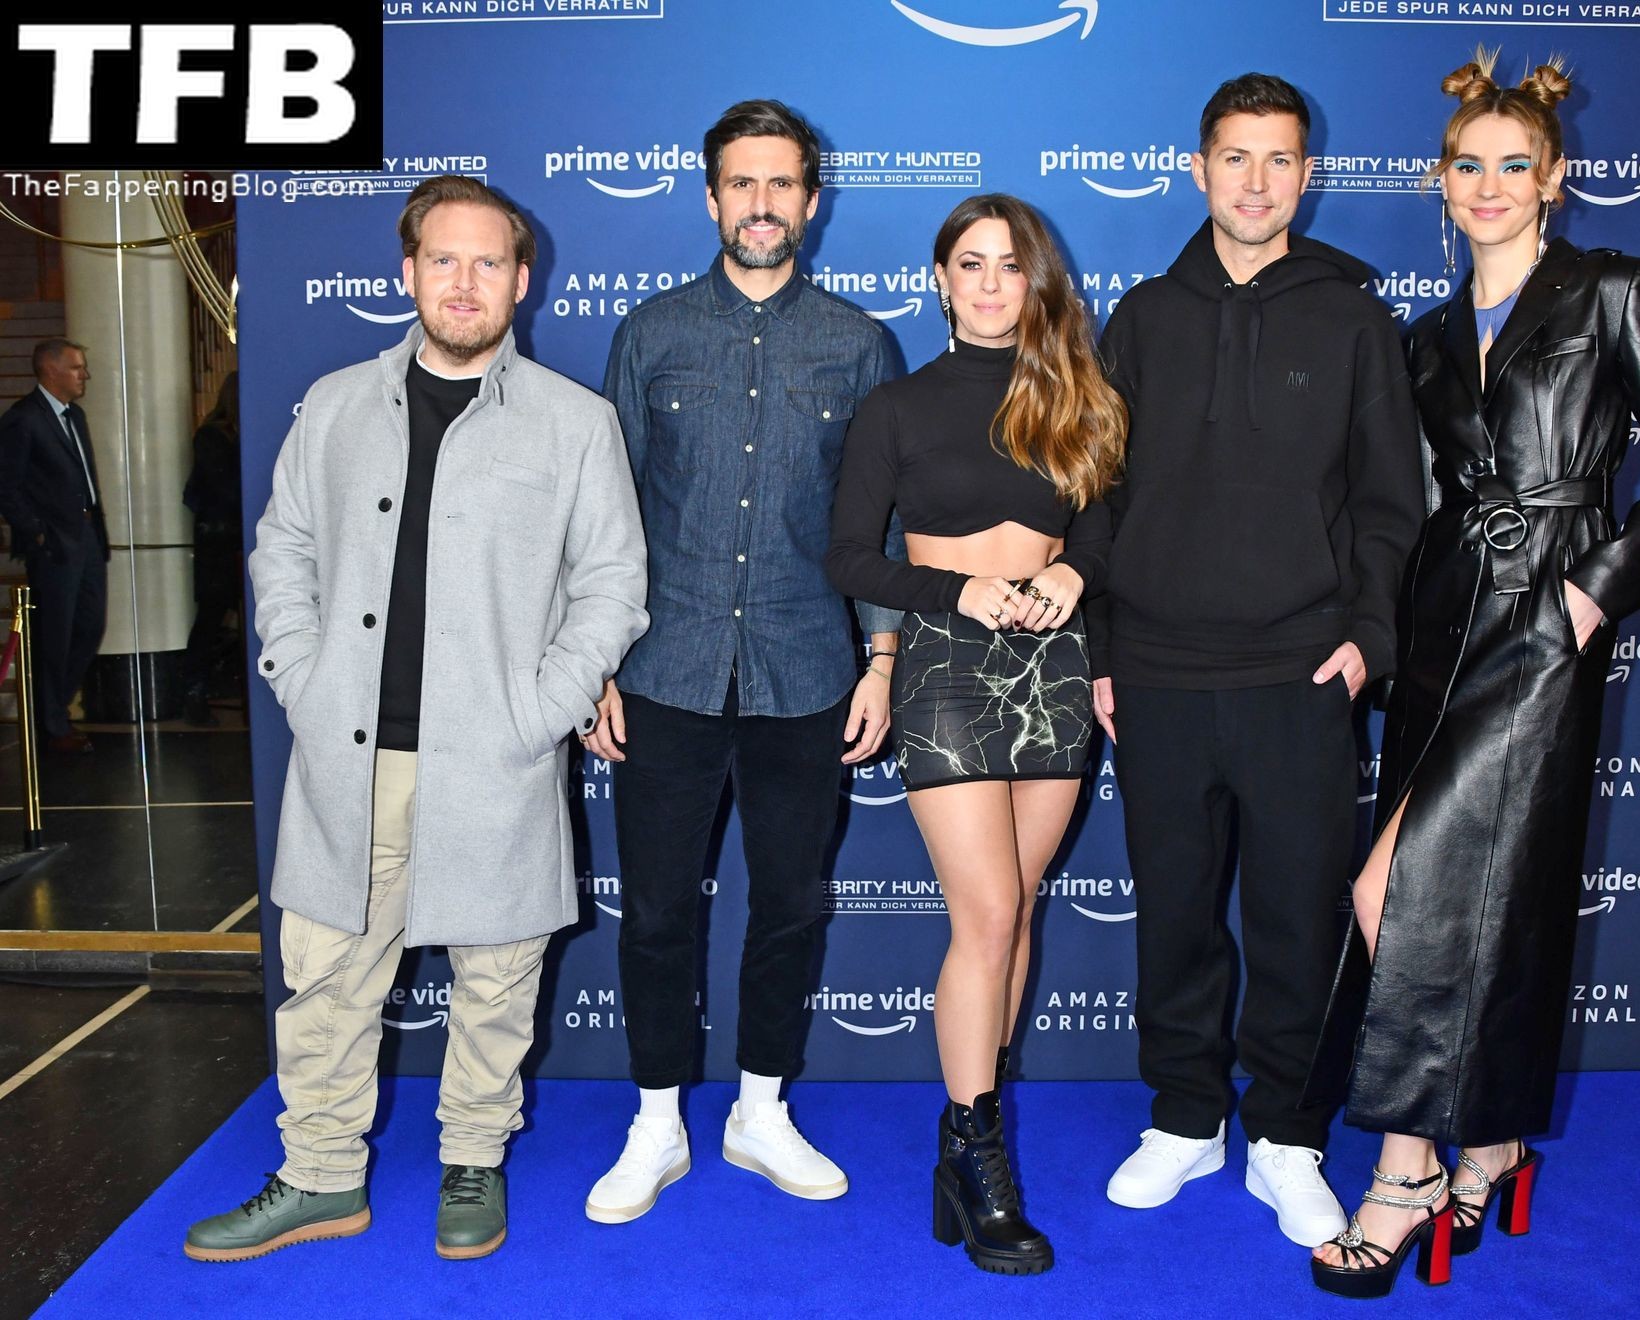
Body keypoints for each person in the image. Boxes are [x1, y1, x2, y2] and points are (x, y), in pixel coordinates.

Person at [1305, 54, 1640, 1298]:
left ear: (1554, 178)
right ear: (1441, 183)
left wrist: (1591, 594)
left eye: (1513, 165)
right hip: (1440, 628)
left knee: (1395, 889)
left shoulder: (1613, 292)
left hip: (1546, 626)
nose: (1489, 185)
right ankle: (1489, 1147)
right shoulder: (1425, 338)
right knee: (1450, 900)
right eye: (1468, 166)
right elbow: (1408, 499)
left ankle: (1405, 1175)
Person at [185, 175, 649, 1263]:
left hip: (496, 758)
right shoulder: (335, 405)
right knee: (326, 978)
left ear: (522, 281)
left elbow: (612, 585)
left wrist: (542, 710)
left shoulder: (576, 424)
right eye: (444, 260)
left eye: (489, 262)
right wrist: (303, 680)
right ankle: (320, 1176)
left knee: (497, 978)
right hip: (351, 760)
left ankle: (473, 1160)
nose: (465, 282)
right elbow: (283, 551)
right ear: (409, 273)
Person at [1088, 72, 1425, 1246]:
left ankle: (1287, 1134)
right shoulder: (1141, 318)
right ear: (1200, 170)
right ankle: (1186, 1118)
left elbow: (1389, 502)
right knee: (1175, 915)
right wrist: (1102, 648)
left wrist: (1367, 637)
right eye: (1236, 157)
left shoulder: (1354, 318)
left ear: (1306, 175)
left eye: (1280, 159)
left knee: (1296, 920)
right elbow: (1097, 496)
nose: (1257, 181)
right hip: (1159, 671)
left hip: (1299, 673)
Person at [584, 99, 899, 1222]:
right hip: (662, 671)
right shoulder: (651, 334)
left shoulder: (859, 345)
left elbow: (878, 520)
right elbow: (605, 513)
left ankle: (760, 1111)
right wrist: (594, 666)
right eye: (741, 183)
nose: (761, 204)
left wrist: (882, 659)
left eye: (781, 184)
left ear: (811, 200)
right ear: (712, 196)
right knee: (656, 911)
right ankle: (657, 1121)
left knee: (791, 905)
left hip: (807, 670)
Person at [827, 193, 1125, 1275]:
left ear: (1036, 284)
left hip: (1053, 664)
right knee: (988, 912)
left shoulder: (1079, 397)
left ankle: (966, 1138)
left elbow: (1106, 522)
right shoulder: (895, 407)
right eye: (971, 263)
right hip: (949, 666)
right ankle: (977, 1149)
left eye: (1010, 266)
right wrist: (955, 592)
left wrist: (1074, 572)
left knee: (1020, 907)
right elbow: (849, 555)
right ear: (941, 280)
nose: (991, 283)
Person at [0, 338, 107, 753]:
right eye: (77, 368)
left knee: (89, 627)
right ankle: (52, 724)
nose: (85, 375)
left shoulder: (74, 416)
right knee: (55, 637)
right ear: (51, 370)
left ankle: (53, 710)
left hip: (87, 539)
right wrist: (37, 532)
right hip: (54, 546)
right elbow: (7, 486)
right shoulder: (23, 419)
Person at [181, 371, 243, 726]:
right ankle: (194, 693)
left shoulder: (224, 436)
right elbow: (225, 489)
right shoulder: (212, 436)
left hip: (228, 541)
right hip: (220, 544)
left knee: (214, 618)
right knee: (210, 619)